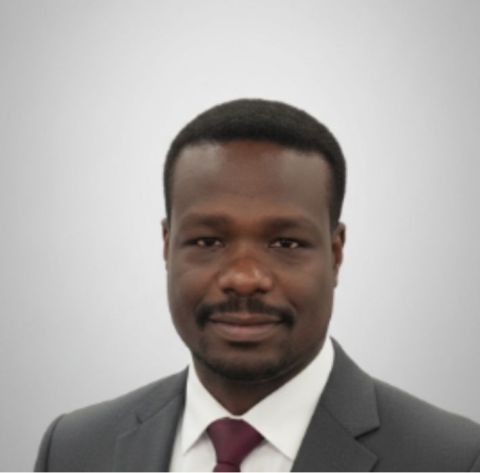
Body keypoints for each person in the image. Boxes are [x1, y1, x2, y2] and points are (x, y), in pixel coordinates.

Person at [35, 99, 480, 472]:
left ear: (336, 253)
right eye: (208, 241)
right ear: (167, 246)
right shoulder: (73, 450)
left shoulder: (453, 459)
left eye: (285, 243)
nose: (244, 278)